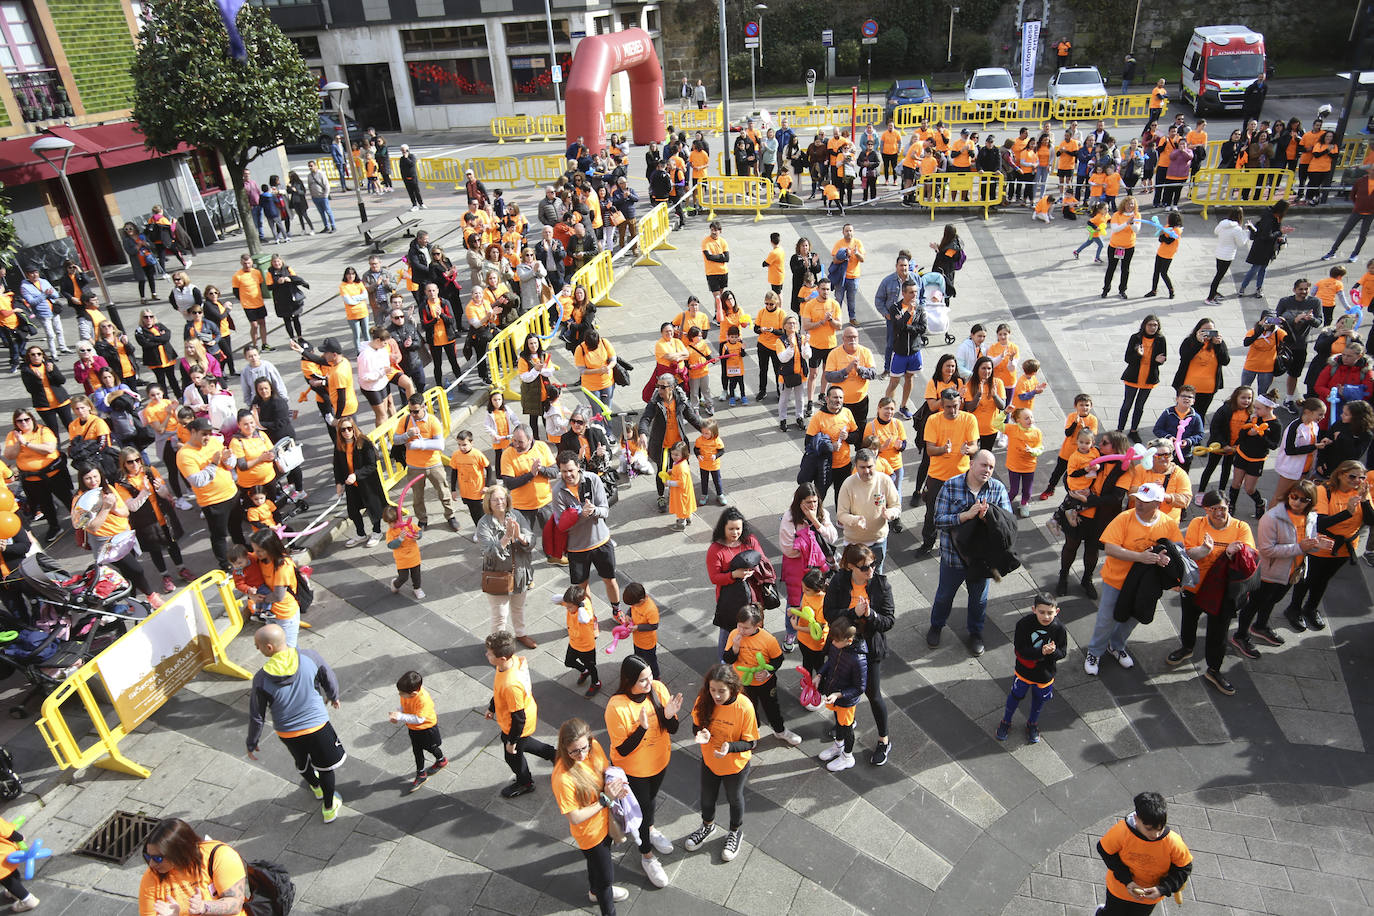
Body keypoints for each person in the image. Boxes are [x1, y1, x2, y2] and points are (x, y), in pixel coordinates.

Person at [1083, 483, 1210, 676]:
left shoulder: (1167, 523)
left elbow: (1178, 552)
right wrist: (1140, 557)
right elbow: (1110, 548)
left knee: (1133, 617)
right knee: (1106, 618)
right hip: (1116, 579)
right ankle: (1094, 652)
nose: (1138, 503)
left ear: (1158, 503)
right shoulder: (1125, 518)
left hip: (1146, 584)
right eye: (1138, 499)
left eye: (1145, 501)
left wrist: (1167, 558)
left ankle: (1116, 646)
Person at [246, 623, 345, 822]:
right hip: (318, 727)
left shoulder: (261, 678)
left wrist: (252, 742)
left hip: (288, 733)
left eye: (257, 645)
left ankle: (315, 787)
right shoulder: (310, 657)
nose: (257, 649)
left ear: (269, 648)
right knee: (325, 768)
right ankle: (328, 807)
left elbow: (257, 715)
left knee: (302, 760)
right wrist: (333, 696)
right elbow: (328, 676)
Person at [1165, 491, 1257, 695]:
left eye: (1222, 508)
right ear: (1205, 509)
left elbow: (1249, 559)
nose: (1218, 513)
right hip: (1195, 587)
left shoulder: (1241, 527)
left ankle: (1214, 669)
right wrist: (1205, 550)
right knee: (1189, 619)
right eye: (1212, 509)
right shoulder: (1198, 524)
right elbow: (1188, 553)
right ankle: (1187, 647)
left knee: (1218, 633)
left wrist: (1233, 554)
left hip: (1222, 593)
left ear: (1229, 507)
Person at [601, 655, 682, 889]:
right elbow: (623, 750)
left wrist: (668, 715)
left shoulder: (657, 689)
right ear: (628, 681)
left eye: (650, 677)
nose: (650, 683)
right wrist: (642, 729)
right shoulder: (616, 707)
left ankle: (650, 829)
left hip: (660, 761)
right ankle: (646, 855)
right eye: (643, 680)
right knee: (644, 806)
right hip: (635, 771)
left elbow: (673, 729)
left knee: (651, 801)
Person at [926, 448, 1012, 657]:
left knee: (979, 600)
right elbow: (938, 520)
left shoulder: (997, 488)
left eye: (991, 467)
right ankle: (936, 626)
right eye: (984, 465)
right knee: (945, 596)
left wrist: (989, 518)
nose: (987, 470)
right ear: (972, 463)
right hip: (953, 558)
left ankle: (975, 633)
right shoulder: (951, 485)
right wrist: (965, 516)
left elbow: (1008, 522)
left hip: (982, 560)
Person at [552, 718, 629, 914]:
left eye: (584, 748)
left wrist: (617, 786)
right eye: (574, 751)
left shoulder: (593, 746)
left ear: (590, 739)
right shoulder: (563, 777)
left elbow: (605, 770)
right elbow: (575, 817)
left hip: (606, 822)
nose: (582, 754)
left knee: (596, 867)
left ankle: (594, 891)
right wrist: (604, 800)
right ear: (564, 748)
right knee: (606, 880)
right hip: (591, 835)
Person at [683, 663, 756, 863]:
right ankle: (707, 826)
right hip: (710, 761)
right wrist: (701, 733)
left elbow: (751, 742)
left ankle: (734, 832)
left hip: (735, 766)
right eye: (712, 690)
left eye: (721, 691)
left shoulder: (744, 706)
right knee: (707, 797)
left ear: (732, 688)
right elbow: (696, 726)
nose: (715, 695)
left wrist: (729, 748)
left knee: (734, 798)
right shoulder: (703, 700)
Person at [1096, 792, 1193, 914]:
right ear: (1136, 818)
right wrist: (1126, 880)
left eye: (1160, 828)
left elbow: (1184, 868)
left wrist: (1162, 889)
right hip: (1118, 890)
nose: (1155, 834)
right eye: (1149, 829)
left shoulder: (1173, 842)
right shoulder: (1121, 832)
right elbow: (1105, 851)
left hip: (1148, 899)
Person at [552, 450, 621, 614]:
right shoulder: (558, 492)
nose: (568, 475)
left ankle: (617, 610)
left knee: (610, 580)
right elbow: (562, 525)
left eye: (571, 470)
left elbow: (605, 511)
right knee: (582, 587)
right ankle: (591, 617)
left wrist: (593, 510)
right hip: (577, 548)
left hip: (601, 541)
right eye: (563, 471)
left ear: (578, 467)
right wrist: (581, 515)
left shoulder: (593, 479)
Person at [916, 387, 981, 553]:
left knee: (962, 512)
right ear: (942, 406)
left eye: (956, 406)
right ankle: (928, 543)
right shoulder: (933, 420)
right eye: (948, 407)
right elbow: (930, 450)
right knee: (932, 513)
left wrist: (969, 450)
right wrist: (944, 449)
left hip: (962, 477)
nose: (953, 410)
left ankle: (958, 543)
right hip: (937, 476)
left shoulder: (970, 419)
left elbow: (975, 446)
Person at [994, 594, 1065, 745]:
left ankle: (1032, 724)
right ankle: (1006, 721)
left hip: (1045, 675)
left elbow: (1062, 653)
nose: (1046, 616)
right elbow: (1020, 649)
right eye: (1042, 612)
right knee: (1015, 695)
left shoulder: (1059, 629)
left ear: (1056, 612)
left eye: (1050, 613)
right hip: (1024, 672)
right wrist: (1041, 652)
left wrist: (1053, 652)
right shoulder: (1024, 624)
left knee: (1039, 700)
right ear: (1034, 610)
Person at [137, 817, 246, 916]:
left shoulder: (220, 856)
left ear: (178, 853)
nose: (151, 864)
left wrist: (204, 907)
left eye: (158, 858)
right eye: (148, 856)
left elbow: (235, 903)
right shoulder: (152, 878)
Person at [176, 416, 245, 571]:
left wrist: (228, 459)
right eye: (204, 434)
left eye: (209, 433)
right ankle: (225, 564)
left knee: (236, 527)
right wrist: (213, 463)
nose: (208, 437)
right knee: (219, 535)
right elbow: (198, 481)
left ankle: (243, 553)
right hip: (213, 501)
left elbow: (230, 465)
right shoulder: (184, 455)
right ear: (193, 432)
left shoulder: (215, 441)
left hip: (231, 493)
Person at [477, 486, 537, 644]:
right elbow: (488, 552)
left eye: (502, 498)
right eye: (495, 499)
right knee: (500, 615)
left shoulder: (516, 514)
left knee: (518, 608)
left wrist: (520, 537)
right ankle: (498, 646)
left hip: (520, 573)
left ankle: (521, 634)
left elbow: (531, 538)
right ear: (488, 502)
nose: (499, 502)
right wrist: (506, 538)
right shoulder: (484, 524)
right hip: (498, 576)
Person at [395, 394, 458, 531]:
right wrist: (407, 435)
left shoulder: (433, 421)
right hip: (414, 466)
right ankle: (422, 520)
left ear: (423, 407)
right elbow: (396, 440)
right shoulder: (405, 421)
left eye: (416, 411)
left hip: (434, 464)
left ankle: (451, 516)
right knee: (417, 497)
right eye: (410, 411)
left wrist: (419, 444)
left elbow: (440, 445)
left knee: (444, 492)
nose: (413, 414)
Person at [836, 448, 900, 573]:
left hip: (878, 541)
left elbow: (896, 506)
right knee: (852, 580)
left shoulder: (885, 481)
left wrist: (890, 513)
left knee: (875, 577)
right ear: (856, 466)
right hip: (854, 543)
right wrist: (855, 520)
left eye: (870, 466)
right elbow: (841, 514)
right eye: (862, 467)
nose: (866, 471)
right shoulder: (848, 484)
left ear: (875, 464)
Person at [388, 669, 447, 791]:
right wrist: (398, 713)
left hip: (427, 730)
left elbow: (419, 719)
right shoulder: (407, 694)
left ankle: (441, 760)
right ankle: (421, 774)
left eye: (401, 693)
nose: (400, 695)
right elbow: (403, 705)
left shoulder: (423, 700)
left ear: (413, 694)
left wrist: (400, 717)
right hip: (414, 729)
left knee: (431, 748)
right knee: (417, 750)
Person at [333, 415, 383, 548]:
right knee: (353, 510)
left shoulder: (364, 442)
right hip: (352, 484)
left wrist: (356, 474)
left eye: (349, 429)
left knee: (373, 507)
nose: (347, 432)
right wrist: (339, 483)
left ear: (354, 428)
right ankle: (361, 534)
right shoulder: (339, 446)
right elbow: (337, 466)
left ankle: (377, 532)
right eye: (343, 430)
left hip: (367, 483)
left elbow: (372, 465)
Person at [1237, 200, 1293, 298]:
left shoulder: (1272, 216)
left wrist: (1279, 233)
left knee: (1262, 268)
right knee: (1255, 268)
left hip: (1267, 248)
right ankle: (1243, 287)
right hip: (1262, 248)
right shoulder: (1270, 218)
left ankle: (1258, 288)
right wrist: (1280, 232)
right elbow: (1266, 236)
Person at [231, 253, 269, 352]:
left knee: (262, 323)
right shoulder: (237, 276)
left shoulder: (256, 272)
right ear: (241, 263)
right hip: (248, 305)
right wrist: (244, 300)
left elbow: (260, 285)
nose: (247, 265)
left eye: (248, 263)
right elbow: (235, 291)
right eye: (245, 264)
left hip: (259, 303)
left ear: (251, 262)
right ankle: (255, 345)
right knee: (254, 325)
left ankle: (265, 344)